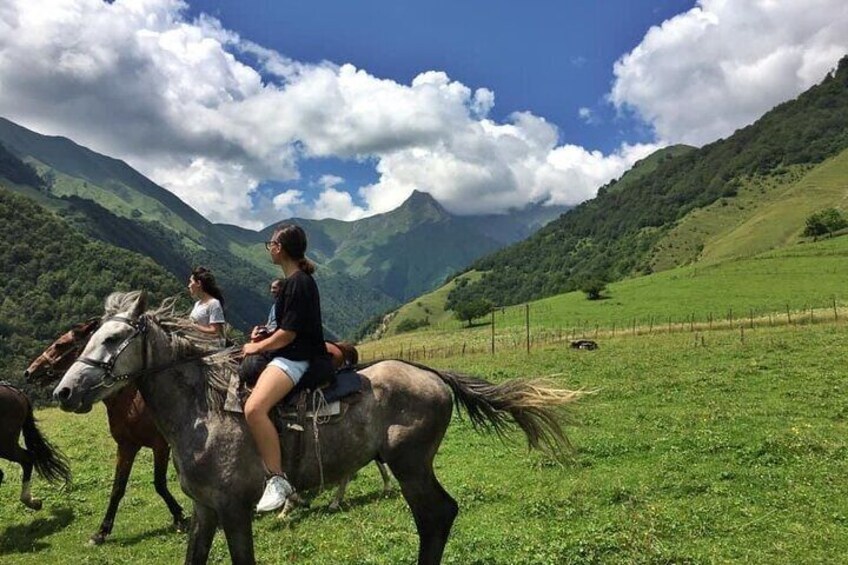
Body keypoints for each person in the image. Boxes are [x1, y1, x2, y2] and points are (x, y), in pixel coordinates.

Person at [242, 224, 326, 513]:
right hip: (289, 353)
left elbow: (288, 334)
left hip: (295, 358)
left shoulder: (296, 283)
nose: (270, 248)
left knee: (253, 409)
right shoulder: (295, 281)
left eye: (271, 244)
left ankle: (278, 479)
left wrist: (257, 346)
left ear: (280, 248)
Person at [187, 267, 227, 344]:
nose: (189, 285)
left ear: (198, 283)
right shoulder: (197, 304)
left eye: (191, 282)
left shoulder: (214, 303)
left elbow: (215, 331)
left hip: (209, 347)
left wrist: (192, 326)